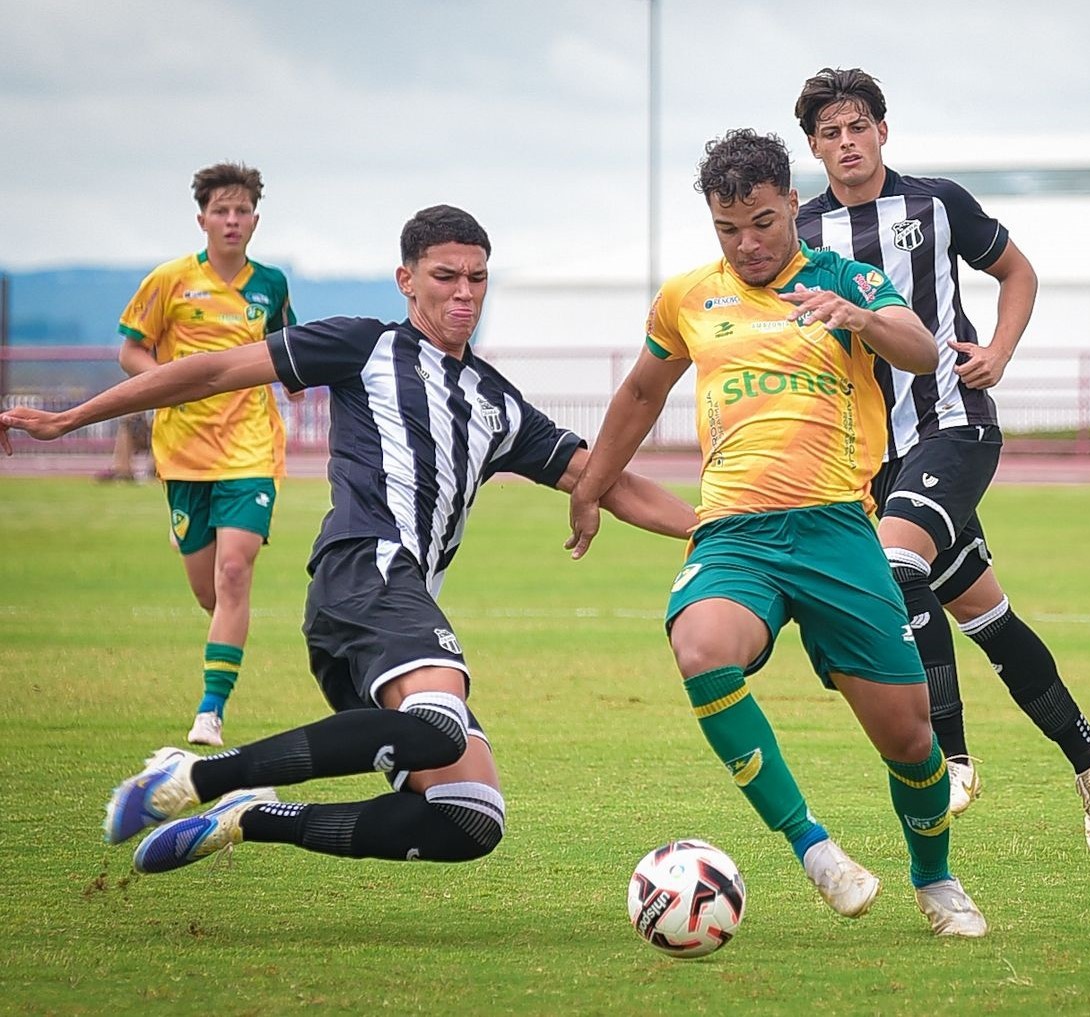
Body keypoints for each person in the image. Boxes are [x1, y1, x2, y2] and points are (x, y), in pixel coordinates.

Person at [0, 205, 697, 875]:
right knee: (440, 725)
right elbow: (211, 371)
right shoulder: (365, 344)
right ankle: (191, 775)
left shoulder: (494, 400)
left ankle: (251, 816)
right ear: (407, 280)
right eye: (444, 276)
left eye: (476, 278)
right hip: (365, 571)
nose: (463, 293)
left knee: (468, 814)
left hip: (385, 612)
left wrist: (710, 532)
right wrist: (70, 419)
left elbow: (607, 478)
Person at [566, 129, 987, 937]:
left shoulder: (843, 276)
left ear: (793, 203)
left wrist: (859, 316)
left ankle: (934, 880)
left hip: (836, 530)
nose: (747, 243)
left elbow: (922, 347)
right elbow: (640, 394)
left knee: (909, 740)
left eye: (761, 221)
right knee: (700, 647)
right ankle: (813, 848)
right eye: (729, 228)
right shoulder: (687, 297)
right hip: (735, 533)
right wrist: (591, 489)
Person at [792, 67, 1090, 849]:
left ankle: (952, 757)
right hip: (872, 457)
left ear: (882, 129)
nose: (847, 142)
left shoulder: (936, 203)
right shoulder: (800, 235)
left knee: (895, 564)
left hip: (953, 425)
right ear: (813, 146)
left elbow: (1016, 270)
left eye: (858, 126)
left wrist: (999, 352)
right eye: (830, 133)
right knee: (985, 614)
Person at [116, 162, 297, 746]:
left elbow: (290, 353)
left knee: (236, 573)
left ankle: (210, 711)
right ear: (202, 219)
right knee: (209, 592)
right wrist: (171, 380)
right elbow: (131, 353)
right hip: (184, 453)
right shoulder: (169, 281)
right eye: (221, 210)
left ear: (255, 220)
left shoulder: (271, 285)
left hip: (250, 449)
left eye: (242, 211)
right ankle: (188, 534)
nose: (232, 220)